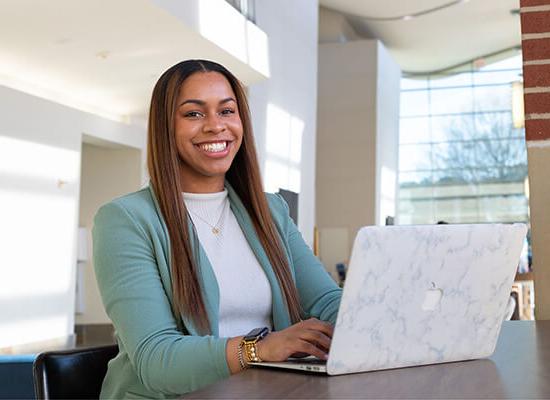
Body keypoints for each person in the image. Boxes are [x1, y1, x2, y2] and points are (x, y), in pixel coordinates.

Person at [93, 59, 342, 399]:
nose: (215, 126)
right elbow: (156, 360)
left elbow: (326, 300)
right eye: (194, 114)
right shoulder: (125, 219)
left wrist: (375, 320)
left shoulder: (270, 211)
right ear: (166, 126)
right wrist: (259, 349)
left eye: (227, 111)